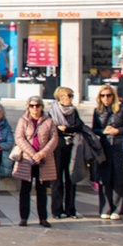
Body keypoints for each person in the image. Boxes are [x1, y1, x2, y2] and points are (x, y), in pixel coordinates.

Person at [14, 96, 58, 228]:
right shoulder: (23, 120)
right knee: (25, 189)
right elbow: (19, 138)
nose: (35, 108)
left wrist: (42, 153)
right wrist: (33, 154)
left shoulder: (49, 121)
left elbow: (54, 139)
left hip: (44, 160)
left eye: (37, 105)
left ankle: (43, 218)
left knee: (42, 190)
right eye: (32, 105)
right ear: (28, 107)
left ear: (41, 107)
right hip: (27, 160)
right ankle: (23, 218)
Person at [91, 84, 123, 220]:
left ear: (113, 96)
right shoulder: (97, 111)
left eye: (108, 95)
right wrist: (103, 131)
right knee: (104, 178)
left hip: (119, 147)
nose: (106, 98)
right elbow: (93, 129)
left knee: (119, 178)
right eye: (103, 96)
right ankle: (105, 208)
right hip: (104, 147)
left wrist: (117, 131)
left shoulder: (122, 109)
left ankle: (119, 209)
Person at [48, 86, 85, 219]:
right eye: (66, 96)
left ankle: (71, 210)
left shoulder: (74, 111)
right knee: (57, 180)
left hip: (72, 147)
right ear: (59, 98)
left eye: (70, 96)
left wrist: (68, 128)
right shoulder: (52, 111)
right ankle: (57, 210)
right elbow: (49, 129)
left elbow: (80, 126)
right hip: (58, 147)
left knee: (71, 178)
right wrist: (60, 129)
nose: (69, 99)